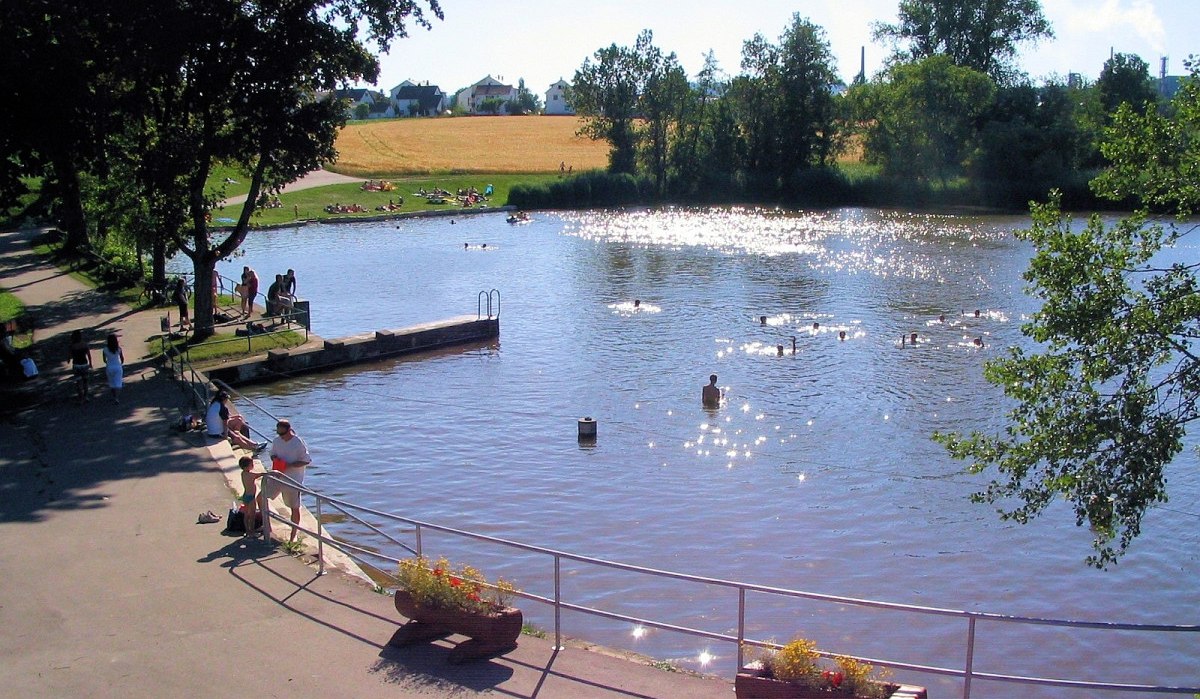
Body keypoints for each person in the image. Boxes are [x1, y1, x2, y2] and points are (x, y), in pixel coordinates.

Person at [269, 419, 311, 543]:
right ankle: (267, 527)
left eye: (282, 433)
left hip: (293, 479)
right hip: (277, 476)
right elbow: (272, 454)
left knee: (294, 507)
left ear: (288, 430)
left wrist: (289, 465)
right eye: (278, 433)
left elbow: (306, 460)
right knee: (261, 497)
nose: (280, 436)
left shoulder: (298, 443)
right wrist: (275, 459)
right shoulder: (277, 441)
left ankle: (293, 536)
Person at [238, 455, 265, 538]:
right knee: (252, 515)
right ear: (247, 466)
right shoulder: (250, 474)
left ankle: (247, 530)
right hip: (251, 497)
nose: (253, 466)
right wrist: (270, 473)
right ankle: (252, 531)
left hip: (245, 495)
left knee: (246, 515)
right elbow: (260, 474)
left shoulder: (243, 473)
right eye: (251, 464)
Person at [68, 329, 92, 403]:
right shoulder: (85, 344)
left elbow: (70, 355)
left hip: (76, 365)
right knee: (86, 381)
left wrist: (68, 359)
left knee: (78, 382)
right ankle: (86, 396)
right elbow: (88, 355)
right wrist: (90, 363)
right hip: (84, 364)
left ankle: (80, 398)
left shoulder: (72, 346)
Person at [102, 333, 124, 404]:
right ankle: (117, 398)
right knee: (118, 383)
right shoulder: (119, 349)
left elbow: (104, 360)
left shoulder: (105, 349)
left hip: (109, 367)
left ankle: (114, 396)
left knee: (112, 383)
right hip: (117, 366)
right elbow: (122, 358)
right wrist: (120, 363)